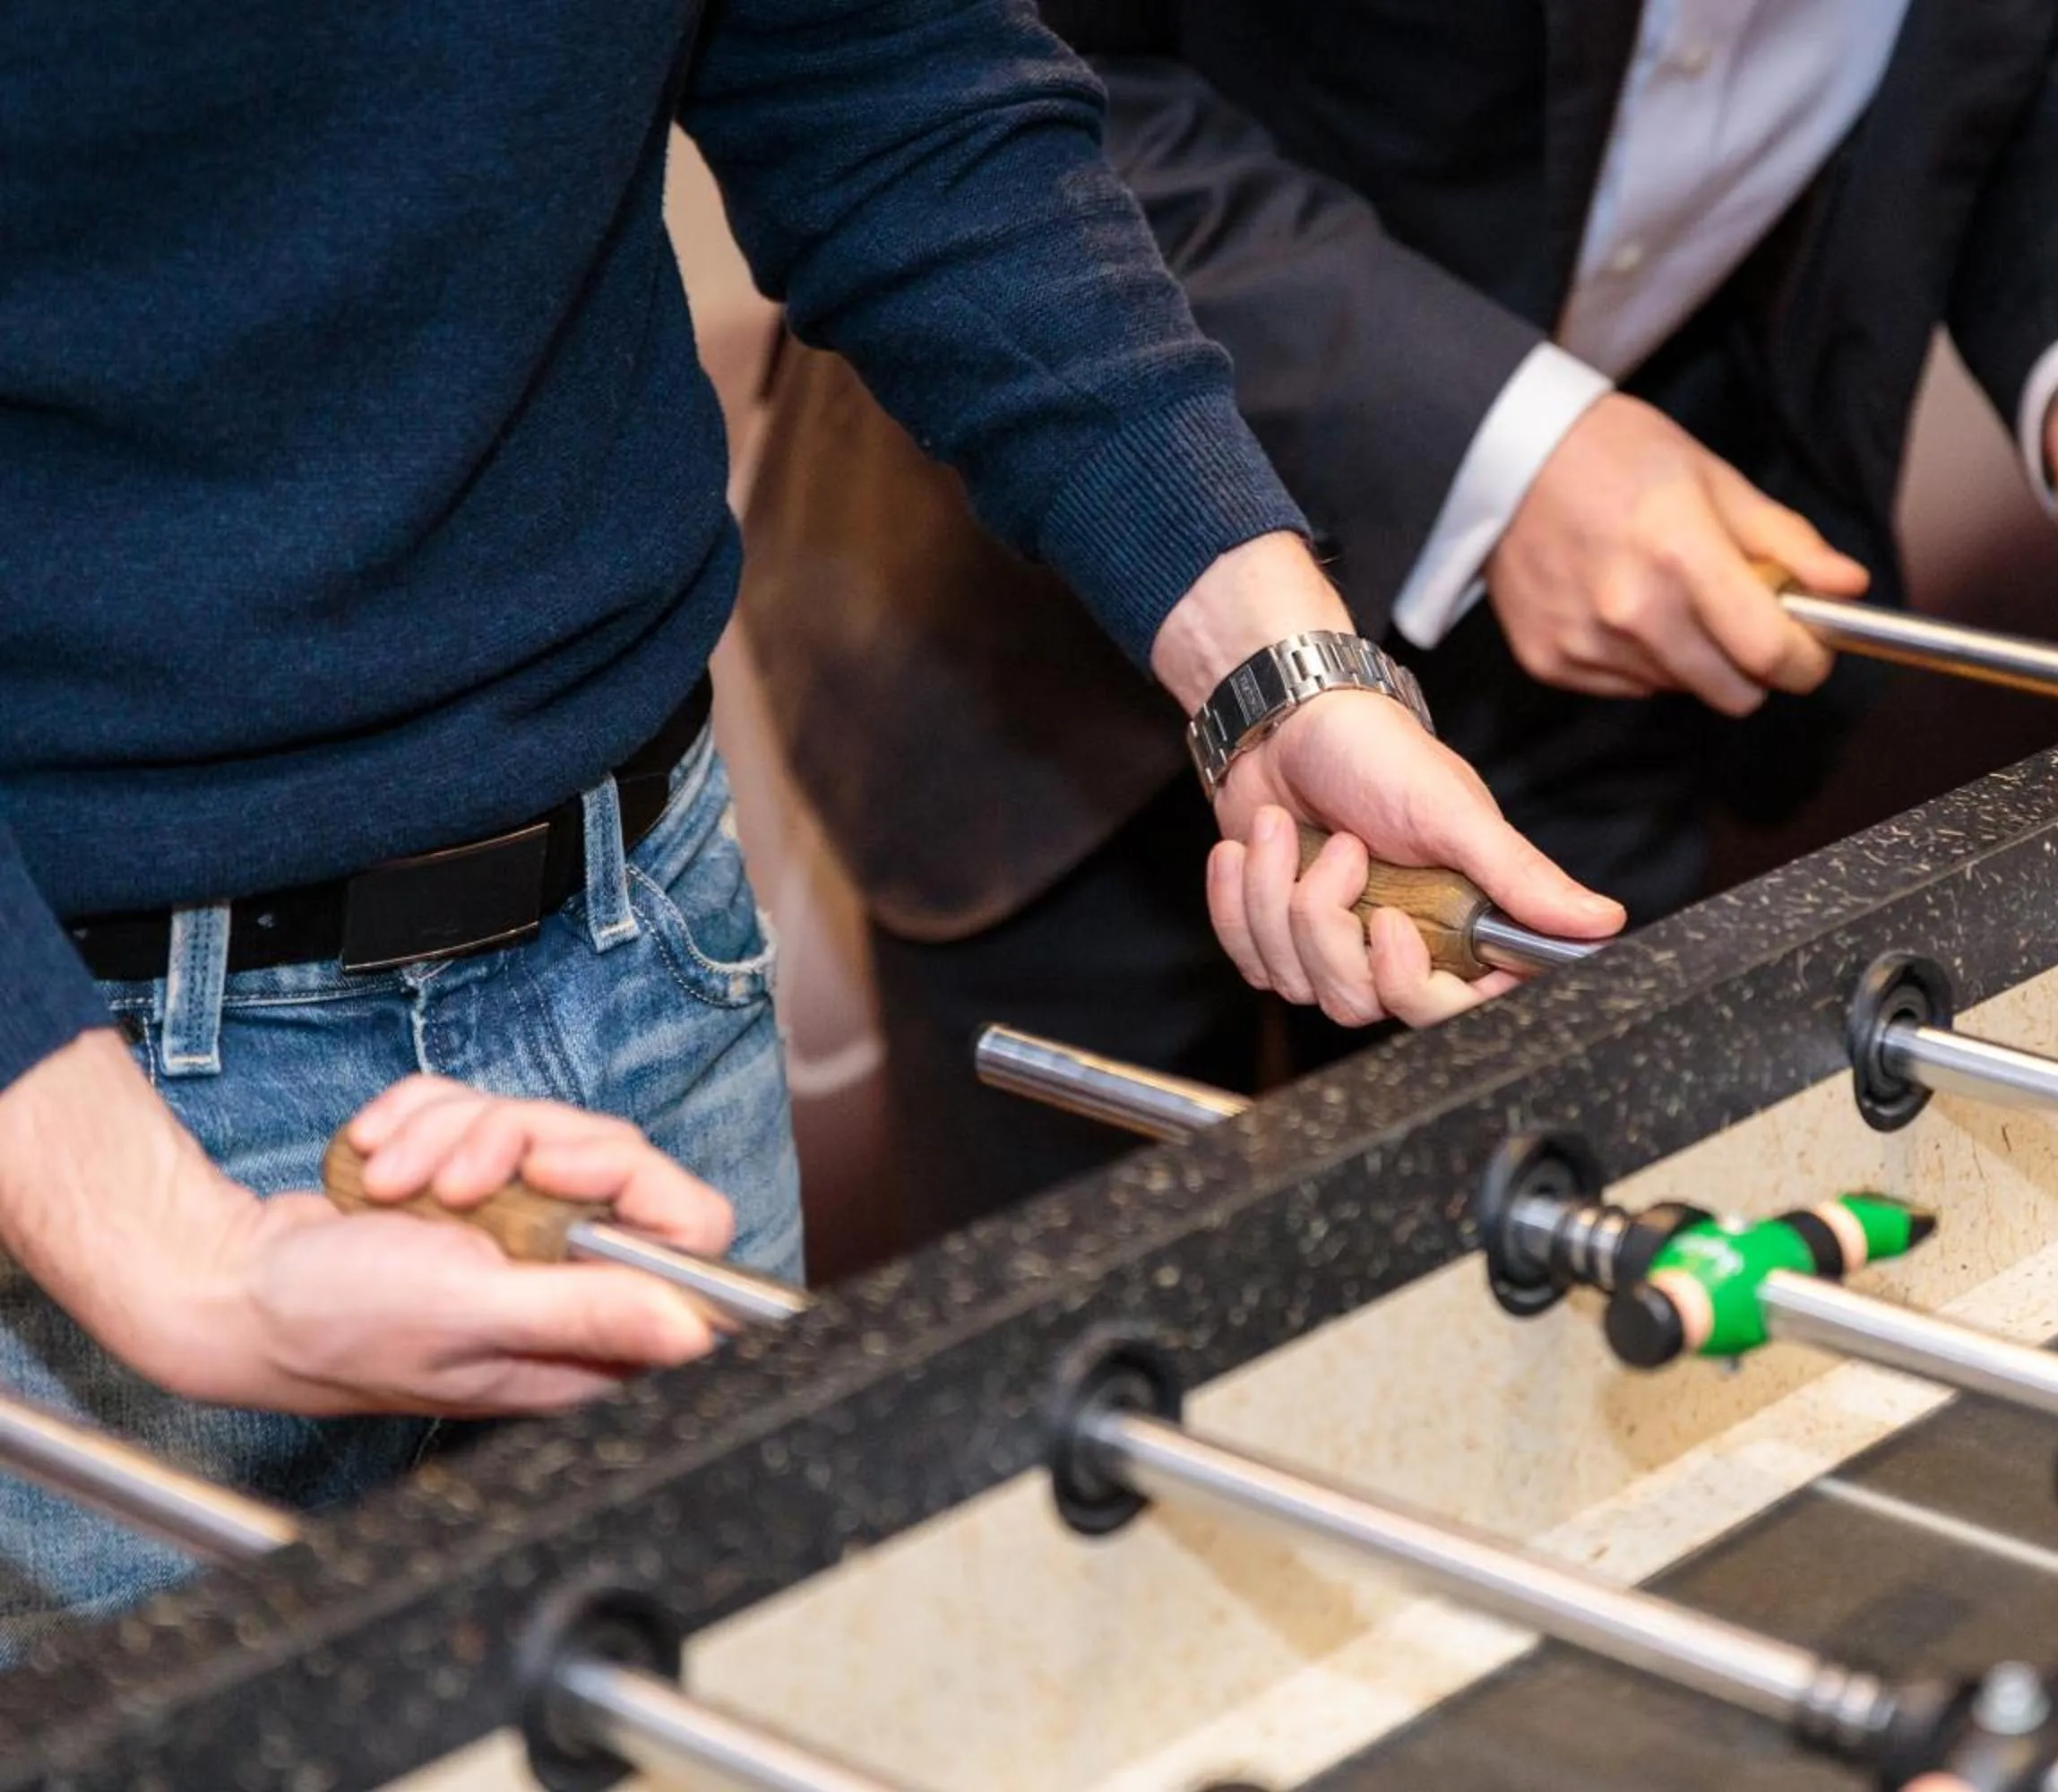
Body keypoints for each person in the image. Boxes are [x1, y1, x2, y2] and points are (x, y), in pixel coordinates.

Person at [0, 1, 1611, 1641]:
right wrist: (160, 1252)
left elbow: (887, 85)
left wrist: (1280, 675)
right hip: (72, 1058)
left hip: (646, 931)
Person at [734, 0, 2058, 1245]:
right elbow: (980, 98)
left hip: (1631, 633)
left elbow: (2051, 45)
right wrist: (1509, 445)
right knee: (1066, 1436)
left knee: (1529, 1317)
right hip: (1053, 619)